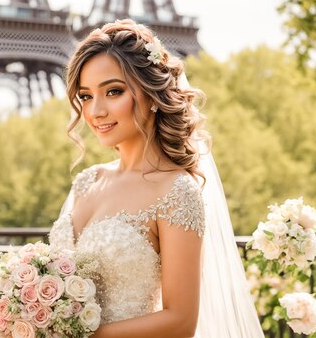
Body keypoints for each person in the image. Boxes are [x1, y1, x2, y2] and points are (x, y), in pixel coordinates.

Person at [48, 19, 264, 338]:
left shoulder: (176, 191)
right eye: (85, 96)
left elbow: (180, 321)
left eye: (113, 91)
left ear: (150, 95)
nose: (96, 111)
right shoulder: (86, 181)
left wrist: (79, 334)